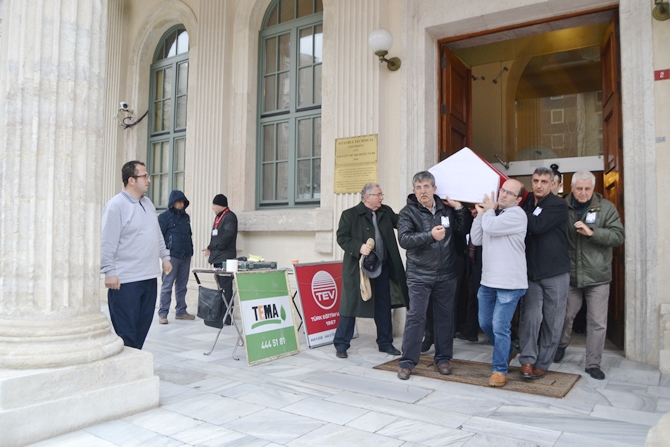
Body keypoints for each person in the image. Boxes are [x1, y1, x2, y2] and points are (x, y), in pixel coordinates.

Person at [396, 171, 471, 380]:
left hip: (446, 274)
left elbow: (462, 229)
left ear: (434, 189)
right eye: (418, 188)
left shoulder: (445, 209)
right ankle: (407, 362)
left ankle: (443, 359)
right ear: (414, 191)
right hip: (419, 275)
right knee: (416, 317)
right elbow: (404, 239)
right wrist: (429, 236)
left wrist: (459, 208)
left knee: (445, 318)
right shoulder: (407, 213)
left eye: (426, 187)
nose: (423, 191)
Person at [554, 170, 625, 380]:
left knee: (597, 322)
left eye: (587, 188)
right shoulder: (561, 206)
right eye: (579, 188)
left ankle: (593, 363)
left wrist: (593, 233)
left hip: (598, 277)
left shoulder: (606, 207)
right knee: (565, 316)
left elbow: (619, 236)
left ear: (593, 188)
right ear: (572, 187)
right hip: (570, 275)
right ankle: (560, 345)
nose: (583, 193)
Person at [101, 160, 172, 349]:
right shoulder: (116, 206)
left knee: (141, 330)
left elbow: (156, 232)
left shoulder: (147, 203)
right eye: (144, 176)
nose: (149, 180)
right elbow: (107, 241)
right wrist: (109, 271)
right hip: (125, 281)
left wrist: (165, 257)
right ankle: (125, 374)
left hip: (148, 277)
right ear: (131, 180)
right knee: (127, 334)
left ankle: (134, 367)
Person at [334, 183, 409, 359]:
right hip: (358, 271)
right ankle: (341, 345)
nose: (382, 197)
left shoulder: (385, 212)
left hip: (383, 269)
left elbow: (401, 222)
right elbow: (342, 237)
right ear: (367, 197)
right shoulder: (349, 215)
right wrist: (358, 247)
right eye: (378, 194)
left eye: (381, 194)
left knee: (383, 307)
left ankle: (385, 343)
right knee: (350, 305)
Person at [471, 179, 527, 387]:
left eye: (509, 193)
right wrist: (480, 214)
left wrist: (489, 211)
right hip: (488, 281)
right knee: (485, 323)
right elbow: (476, 239)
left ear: (518, 199)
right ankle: (508, 350)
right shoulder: (492, 215)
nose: (502, 194)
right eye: (502, 190)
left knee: (499, 326)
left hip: (510, 283)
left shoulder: (517, 215)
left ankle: (499, 370)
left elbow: (492, 228)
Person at [519, 166, 570, 379]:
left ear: (552, 185)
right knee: (530, 318)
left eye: (544, 182)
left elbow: (538, 226)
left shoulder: (559, 205)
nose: (539, 185)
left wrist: (517, 210)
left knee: (552, 320)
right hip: (531, 272)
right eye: (536, 180)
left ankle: (543, 361)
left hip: (556, 272)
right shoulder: (527, 202)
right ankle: (527, 360)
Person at [157, 190, 195, 324]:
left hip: (186, 255)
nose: (181, 204)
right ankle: (163, 314)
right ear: (173, 203)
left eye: (183, 202)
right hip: (171, 256)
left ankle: (181, 311)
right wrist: (164, 256)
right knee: (167, 285)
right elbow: (159, 237)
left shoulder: (186, 217)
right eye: (179, 202)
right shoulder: (164, 217)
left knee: (182, 285)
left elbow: (188, 234)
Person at [203, 194, 238, 310]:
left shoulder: (230, 217)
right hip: (218, 257)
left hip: (226, 258)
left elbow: (227, 236)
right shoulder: (219, 217)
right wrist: (210, 247)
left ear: (220, 205)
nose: (212, 207)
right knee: (220, 286)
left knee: (226, 287)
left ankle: (227, 314)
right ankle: (221, 312)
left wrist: (215, 247)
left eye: (214, 205)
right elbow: (215, 236)